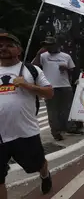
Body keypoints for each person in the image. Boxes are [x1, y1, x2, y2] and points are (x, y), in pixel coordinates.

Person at [0, 30, 54, 197]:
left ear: (19, 50)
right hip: (1, 135)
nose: (3, 48)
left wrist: (27, 85)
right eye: (0, 46)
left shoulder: (31, 70)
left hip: (25, 132)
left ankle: (45, 175)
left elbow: (49, 93)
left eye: (9, 45)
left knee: (37, 164)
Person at [32, 36, 82, 141]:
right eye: (46, 45)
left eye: (50, 44)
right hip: (50, 87)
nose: (48, 47)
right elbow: (33, 66)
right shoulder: (43, 56)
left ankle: (70, 127)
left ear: (56, 45)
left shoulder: (66, 56)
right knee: (52, 111)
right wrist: (38, 54)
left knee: (67, 109)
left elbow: (73, 71)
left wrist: (66, 68)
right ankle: (56, 132)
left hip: (65, 86)